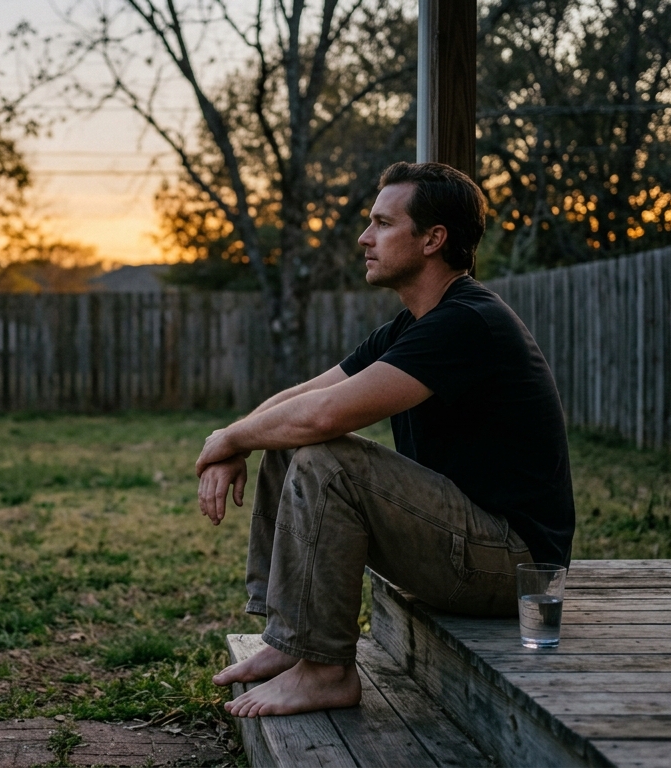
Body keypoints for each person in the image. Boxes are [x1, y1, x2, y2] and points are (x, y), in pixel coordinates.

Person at [194, 162, 575, 718]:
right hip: (467, 543)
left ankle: (325, 671)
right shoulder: (415, 324)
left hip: (515, 567)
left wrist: (228, 438)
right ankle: (288, 644)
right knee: (289, 437)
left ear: (432, 239)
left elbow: (322, 418)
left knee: (329, 459)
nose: (364, 237)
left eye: (381, 223)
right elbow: (304, 398)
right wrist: (234, 440)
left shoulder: (467, 323)